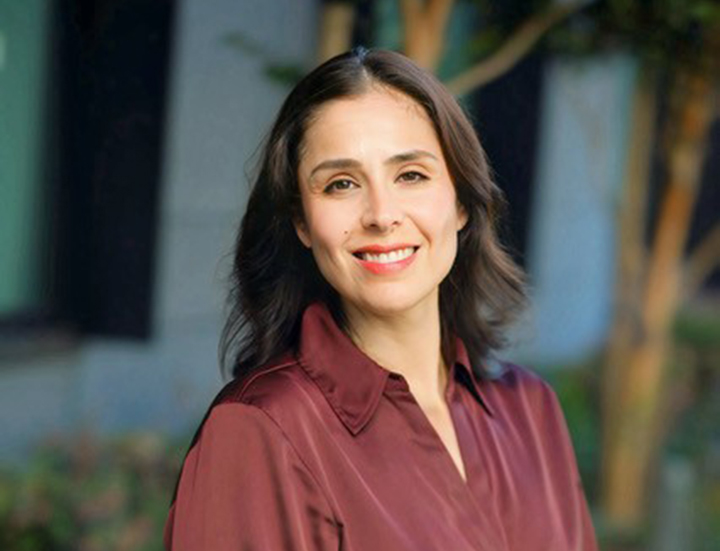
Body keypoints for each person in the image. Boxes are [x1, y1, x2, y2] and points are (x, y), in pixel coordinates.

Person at [164, 47, 598, 550]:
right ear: (303, 222)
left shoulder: (530, 409)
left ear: (459, 201)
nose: (381, 214)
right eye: (341, 184)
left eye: (410, 175)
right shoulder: (260, 431)